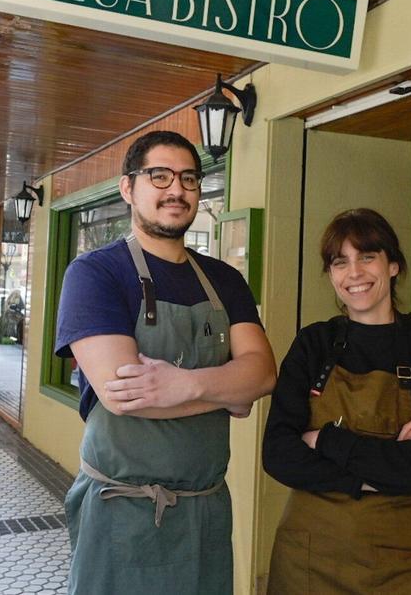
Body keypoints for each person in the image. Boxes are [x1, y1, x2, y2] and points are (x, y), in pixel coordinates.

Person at [54, 130, 276, 595]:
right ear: (128, 187)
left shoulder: (225, 279)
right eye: (160, 176)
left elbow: (262, 373)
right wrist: (226, 392)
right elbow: (125, 395)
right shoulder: (95, 273)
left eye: (189, 178)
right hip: (121, 511)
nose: (176, 189)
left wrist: (185, 385)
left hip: (206, 509)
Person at [262, 208, 411, 594]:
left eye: (367, 257)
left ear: (393, 266)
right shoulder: (313, 344)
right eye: (341, 262)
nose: (354, 273)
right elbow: (278, 454)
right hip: (308, 558)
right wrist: (376, 475)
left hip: (402, 560)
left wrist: (324, 440)